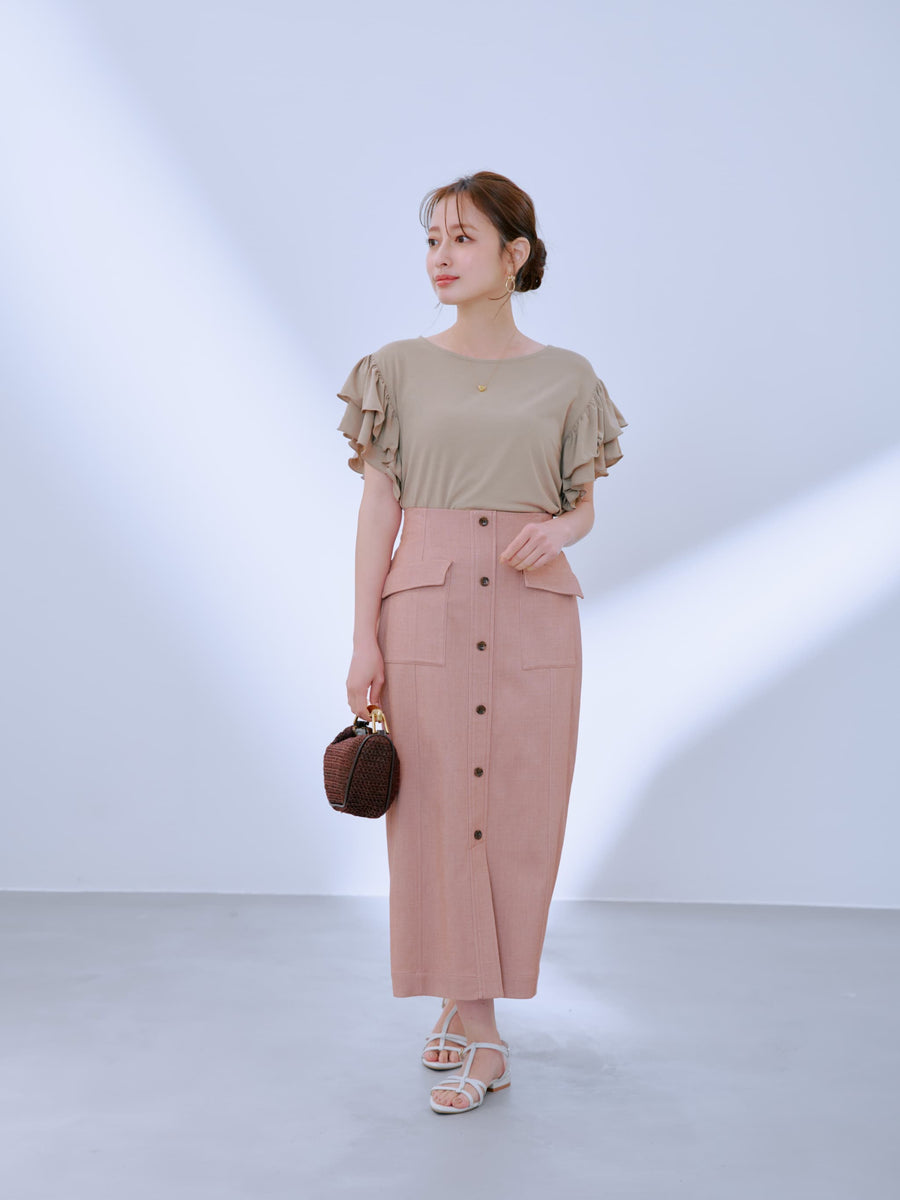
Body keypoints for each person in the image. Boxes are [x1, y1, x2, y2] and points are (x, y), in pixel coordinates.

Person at [337, 170, 627, 1114]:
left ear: (516, 255)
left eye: (463, 239)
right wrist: (362, 638)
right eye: (432, 240)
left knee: (516, 813)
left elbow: (583, 506)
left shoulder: (568, 377)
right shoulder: (394, 368)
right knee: (433, 815)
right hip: (426, 607)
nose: (441, 257)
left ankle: (466, 1007)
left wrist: (560, 530)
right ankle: (484, 1032)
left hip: (533, 609)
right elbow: (378, 511)